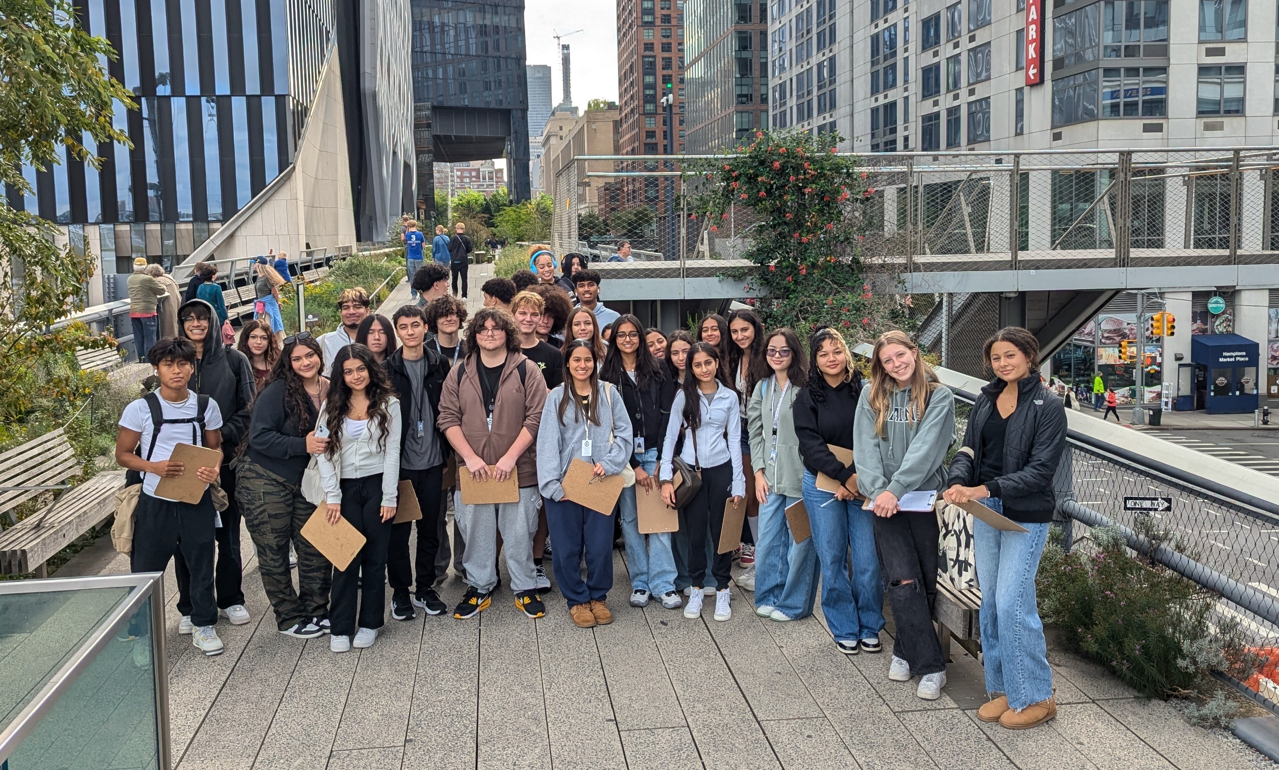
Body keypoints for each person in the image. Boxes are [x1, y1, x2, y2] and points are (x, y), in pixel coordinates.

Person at [943, 326, 1067, 730]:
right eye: (996, 358)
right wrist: (959, 481)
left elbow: (1040, 471)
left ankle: (1037, 697)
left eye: (1010, 355)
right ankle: (1004, 690)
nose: (1003, 363)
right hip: (986, 508)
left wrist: (984, 488)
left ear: (1030, 356)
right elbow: (968, 449)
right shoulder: (986, 398)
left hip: (1024, 514)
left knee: (1013, 603)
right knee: (992, 602)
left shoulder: (1048, 405)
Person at [854, 330, 956, 700]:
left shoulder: (939, 396)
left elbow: (927, 450)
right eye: (887, 360)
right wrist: (879, 490)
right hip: (883, 501)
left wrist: (894, 490)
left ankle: (903, 649)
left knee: (923, 577)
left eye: (901, 356)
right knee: (899, 579)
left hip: (923, 499)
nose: (896, 364)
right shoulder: (871, 396)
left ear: (914, 353)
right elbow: (864, 447)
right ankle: (931, 666)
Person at [116, 337, 225, 655]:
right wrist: (154, 467)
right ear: (156, 369)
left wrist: (213, 469)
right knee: (145, 569)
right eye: (168, 364)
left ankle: (203, 625)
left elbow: (215, 447)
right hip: (155, 500)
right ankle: (141, 635)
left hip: (195, 497)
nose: (176, 370)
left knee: (203, 564)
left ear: (192, 368)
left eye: (182, 364)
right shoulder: (141, 409)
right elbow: (123, 454)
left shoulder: (206, 406)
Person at [437, 308, 548, 619]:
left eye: (496, 328)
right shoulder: (458, 372)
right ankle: (480, 586)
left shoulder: (527, 370)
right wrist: (469, 458)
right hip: (474, 472)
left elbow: (536, 417)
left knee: (518, 532)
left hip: (519, 469)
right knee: (476, 531)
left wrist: (511, 456)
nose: (489, 333)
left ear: (507, 333)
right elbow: (447, 417)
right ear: (474, 335)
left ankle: (525, 587)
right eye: (483, 329)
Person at [794, 327, 884, 655]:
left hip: (864, 482)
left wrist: (857, 479)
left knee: (867, 560)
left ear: (847, 353)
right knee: (832, 558)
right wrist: (844, 478)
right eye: (823, 353)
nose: (831, 358)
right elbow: (811, 447)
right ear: (815, 361)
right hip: (822, 484)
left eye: (836, 351)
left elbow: (876, 436)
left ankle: (870, 624)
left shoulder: (865, 390)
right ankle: (844, 625)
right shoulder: (806, 397)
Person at [236, 333, 331, 639]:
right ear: (288, 363)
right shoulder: (277, 390)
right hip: (265, 478)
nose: (305, 363)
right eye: (297, 358)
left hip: (304, 482)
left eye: (310, 355)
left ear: (319, 355)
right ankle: (288, 616)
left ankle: (317, 610)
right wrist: (301, 444)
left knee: (314, 546)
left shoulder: (330, 388)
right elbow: (260, 436)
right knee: (274, 550)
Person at [537, 339, 633, 627]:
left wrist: (612, 463)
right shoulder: (557, 396)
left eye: (587, 360)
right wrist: (553, 485)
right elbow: (547, 443)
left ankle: (598, 596)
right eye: (576, 360)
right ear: (567, 363)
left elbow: (625, 434)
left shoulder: (609, 393)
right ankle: (577, 600)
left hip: (600, 479)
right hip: (567, 482)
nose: (582, 365)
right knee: (566, 548)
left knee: (600, 545)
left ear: (595, 362)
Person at [314, 344, 402, 652]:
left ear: (370, 369)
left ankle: (370, 623)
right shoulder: (331, 405)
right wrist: (333, 495)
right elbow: (322, 453)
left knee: (376, 560)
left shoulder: (389, 404)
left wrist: (389, 496)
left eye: (360, 369)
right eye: (348, 371)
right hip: (345, 488)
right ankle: (340, 626)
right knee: (345, 558)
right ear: (341, 374)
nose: (355, 376)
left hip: (378, 485)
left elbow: (393, 453)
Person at [174, 298, 255, 632]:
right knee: (186, 538)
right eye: (188, 318)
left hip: (225, 458)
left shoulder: (234, 361)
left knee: (229, 534)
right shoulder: (173, 360)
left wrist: (218, 434)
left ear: (213, 319)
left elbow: (249, 409)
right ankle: (190, 605)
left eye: (202, 317)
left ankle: (231, 597)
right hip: (182, 462)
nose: (196, 323)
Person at [659, 342, 745, 622]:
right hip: (691, 473)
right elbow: (670, 437)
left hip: (721, 469)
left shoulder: (730, 397)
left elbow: (733, 439)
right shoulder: (684, 396)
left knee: (722, 533)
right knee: (695, 533)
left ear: (716, 363)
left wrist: (739, 481)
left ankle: (722, 589)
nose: (704, 369)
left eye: (708, 363)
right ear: (690, 368)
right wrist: (664, 478)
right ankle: (695, 588)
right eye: (697, 365)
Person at [601, 314, 679, 608]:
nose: (628, 340)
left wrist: (662, 460)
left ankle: (664, 583)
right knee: (631, 520)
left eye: (633, 334)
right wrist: (632, 464)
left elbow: (669, 414)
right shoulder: (607, 373)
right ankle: (641, 582)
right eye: (622, 335)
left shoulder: (658, 369)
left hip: (657, 455)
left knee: (659, 520)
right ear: (614, 339)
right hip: (624, 458)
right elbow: (609, 424)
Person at [747, 328, 819, 623]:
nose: (777, 356)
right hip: (770, 477)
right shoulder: (763, 387)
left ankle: (794, 604)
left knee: (800, 544)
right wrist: (758, 472)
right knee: (768, 541)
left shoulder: (807, 387)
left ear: (795, 353)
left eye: (784, 351)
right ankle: (768, 596)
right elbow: (755, 432)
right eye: (771, 351)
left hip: (800, 475)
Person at [383, 305, 451, 619]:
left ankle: (425, 587)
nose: (410, 332)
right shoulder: (386, 370)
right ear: (397, 332)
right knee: (398, 532)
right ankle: (400, 591)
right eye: (404, 327)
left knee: (430, 529)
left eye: (415, 325)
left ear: (426, 328)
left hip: (434, 460)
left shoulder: (441, 364)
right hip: (401, 464)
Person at [663, 331, 714, 596]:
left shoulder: (710, 382)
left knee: (703, 521)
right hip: (674, 458)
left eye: (686, 352)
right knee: (679, 520)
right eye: (675, 352)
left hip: (705, 460)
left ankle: (708, 575)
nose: (681, 357)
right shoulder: (664, 383)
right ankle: (683, 576)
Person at [727, 309, 766, 584]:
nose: (740, 336)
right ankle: (760, 557)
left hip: (763, 430)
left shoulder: (767, 356)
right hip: (739, 429)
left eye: (745, 330)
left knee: (766, 495)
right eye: (735, 331)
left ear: (755, 329)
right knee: (750, 494)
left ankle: (767, 560)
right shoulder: (731, 358)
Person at [512, 291, 565, 391]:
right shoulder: (503, 351)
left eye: (534, 314)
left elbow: (559, 394)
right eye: (522, 313)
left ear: (540, 317)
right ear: (512, 316)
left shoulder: (554, 354)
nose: (528, 319)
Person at [319, 288, 371, 376]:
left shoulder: (377, 339)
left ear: (367, 311)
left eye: (357, 307)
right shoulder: (323, 343)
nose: (351, 312)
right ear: (341, 313)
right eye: (346, 308)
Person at [128, 258, 166, 362]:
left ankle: (141, 360)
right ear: (145, 267)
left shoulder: (130, 279)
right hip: (148, 312)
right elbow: (162, 291)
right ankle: (150, 361)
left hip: (134, 312)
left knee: (139, 338)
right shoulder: (147, 279)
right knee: (150, 338)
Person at [237, 320, 280, 391]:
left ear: (269, 341)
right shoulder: (238, 366)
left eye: (264, 338)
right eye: (253, 337)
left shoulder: (278, 364)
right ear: (246, 339)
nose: (258, 342)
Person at [425, 295, 468, 365]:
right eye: (442, 315)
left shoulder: (470, 350)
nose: (449, 319)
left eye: (452, 313)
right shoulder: (424, 351)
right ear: (434, 320)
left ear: (460, 317)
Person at [253, 258, 286, 342]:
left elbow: (275, 292)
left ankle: (278, 341)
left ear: (259, 265)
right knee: (260, 323)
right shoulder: (259, 277)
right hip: (260, 304)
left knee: (271, 322)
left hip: (268, 303)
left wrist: (277, 302)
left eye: (255, 264)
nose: (253, 266)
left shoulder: (266, 278)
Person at [147, 264, 183, 340]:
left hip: (167, 307)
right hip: (176, 305)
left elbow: (161, 290)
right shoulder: (169, 278)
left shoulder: (159, 280)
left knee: (168, 331)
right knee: (175, 328)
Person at [531, 284, 572, 349]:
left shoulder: (561, 346)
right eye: (542, 314)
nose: (545, 321)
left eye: (551, 316)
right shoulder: (519, 345)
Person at [195, 264, 229, 328]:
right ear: (213, 276)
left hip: (205, 314)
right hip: (217, 315)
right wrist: (225, 317)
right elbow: (221, 304)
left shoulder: (200, 287)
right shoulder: (217, 287)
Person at [449, 222, 473, 297]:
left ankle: (455, 294)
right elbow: (469, 249)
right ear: (464, 229)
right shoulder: (467, 238)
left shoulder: (453, 238)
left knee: (454, 279)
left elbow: (449, 249)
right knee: (464, 279)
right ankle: (464, 296)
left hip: (455, 261)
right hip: (463, 261)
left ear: (456, 229)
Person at [404, 220, 427, 299]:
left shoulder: (407, 235)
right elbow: (423, 246)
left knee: (412, 276)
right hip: (419, 258)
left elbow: (404, 239)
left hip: (410, 258)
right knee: (420, 276)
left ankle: (413, 294)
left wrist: (407, 228)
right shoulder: (420, 234)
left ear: (409, 226)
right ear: (416, 225)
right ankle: (421, 293)